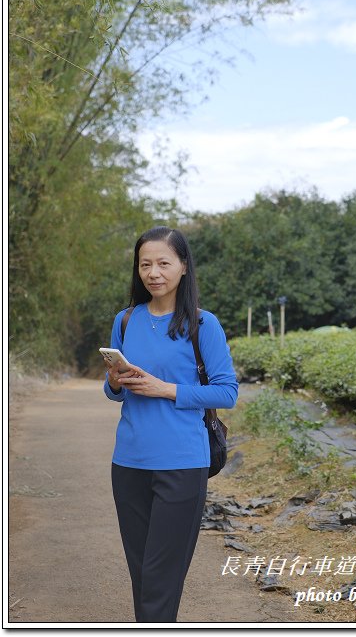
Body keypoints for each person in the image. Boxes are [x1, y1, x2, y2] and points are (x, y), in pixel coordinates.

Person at [103, 226, 238, 623]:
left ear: (183, 267)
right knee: (142, 571)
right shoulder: (125, 321)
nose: (154, 272)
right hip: (128, 462)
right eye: (146, 264)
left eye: (164, 263)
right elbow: (114, 394)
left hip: (181, 463)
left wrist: (167, 389)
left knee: (162, 574)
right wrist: (114, 382)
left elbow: (226, 392)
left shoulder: (202, 324)